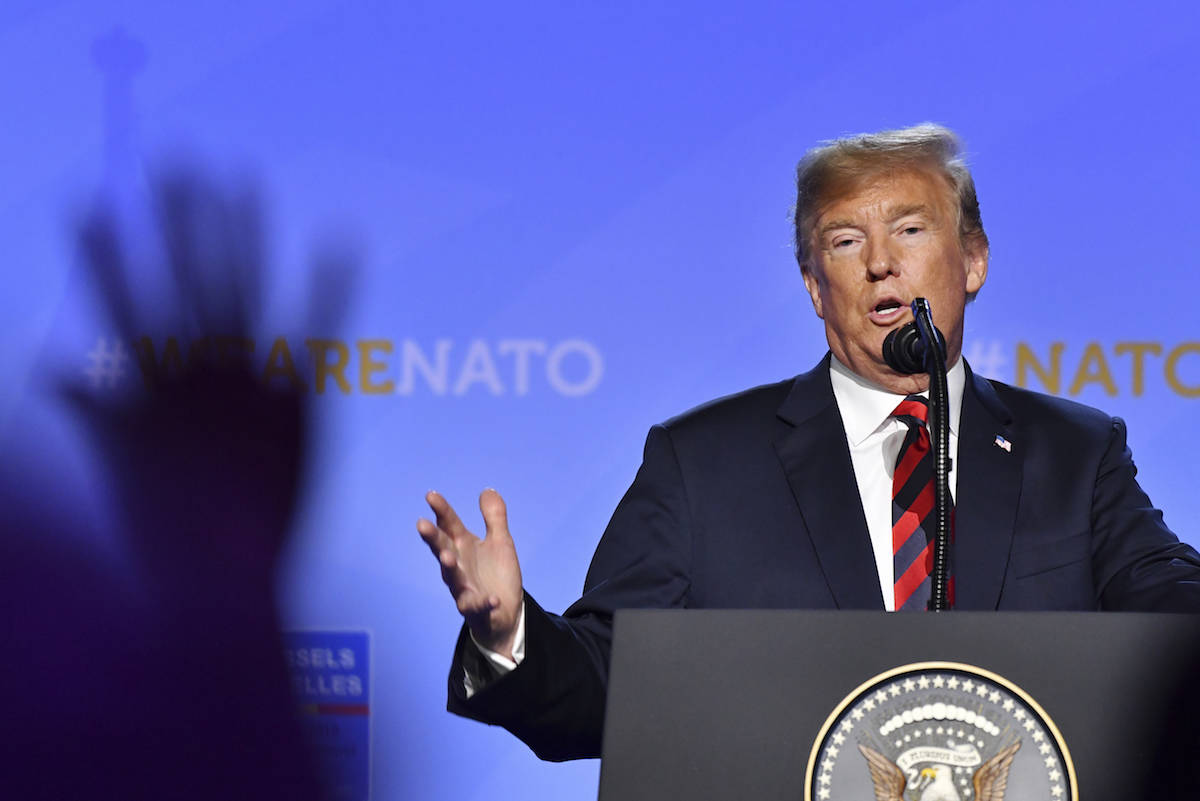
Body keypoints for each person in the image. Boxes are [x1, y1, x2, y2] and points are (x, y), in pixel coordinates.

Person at [416, 123, 1200, 761]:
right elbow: (608, 684)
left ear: (973, 260)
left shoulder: (1076, 452)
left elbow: (1173, 611)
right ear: (813, 286)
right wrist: (508, 630)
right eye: (845, 242)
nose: (882, 262)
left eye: (910, 228)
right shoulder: (704, 463)